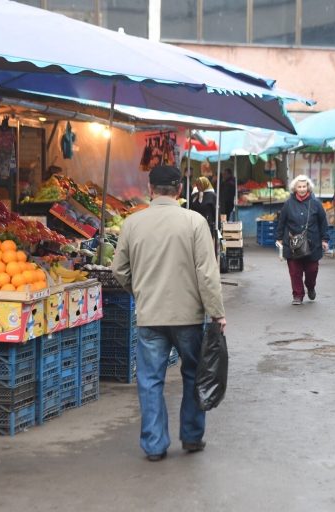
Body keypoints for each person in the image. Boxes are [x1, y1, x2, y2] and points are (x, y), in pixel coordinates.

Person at [112, 165, 226, 462]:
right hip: (189, 316)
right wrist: (217, 312)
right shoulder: (194, 222)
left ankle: (154, 445)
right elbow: (207, 273)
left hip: (150, 315)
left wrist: (140, 292)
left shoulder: (132, 223)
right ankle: (191, 437)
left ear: (151, 189)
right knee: (193, 375)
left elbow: (119, 270)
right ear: (179, 190)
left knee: (150, 380)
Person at [275, 175, 329, 305]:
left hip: (313, 243)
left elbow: (323, 222)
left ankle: (310, 287)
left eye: (304, 186)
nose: (302, 189)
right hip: (292, 243)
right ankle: (297, 295)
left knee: (312, 270)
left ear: (308, 187)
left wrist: (324, 239)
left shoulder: (316, 203)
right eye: (299, 187)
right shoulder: (288, 204)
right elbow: (282, 222)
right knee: (295, 271)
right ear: (295, 188)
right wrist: (279, 238)